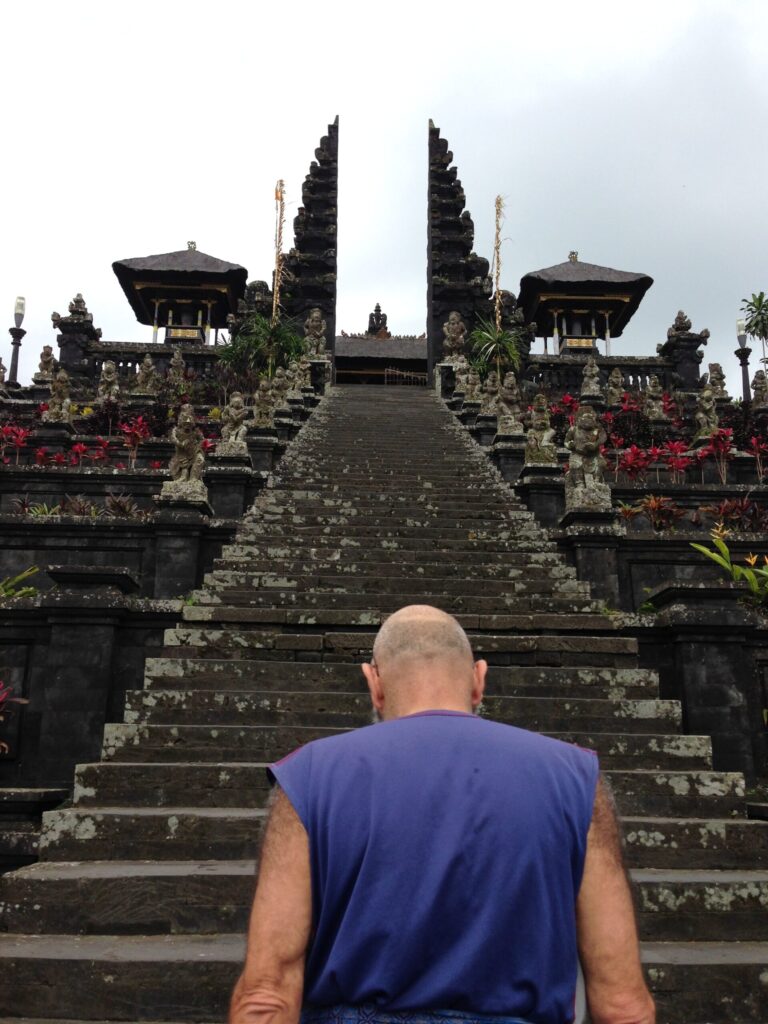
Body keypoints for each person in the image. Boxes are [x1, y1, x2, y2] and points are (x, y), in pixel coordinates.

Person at [229, 605, 655, 1024]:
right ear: (478, 680)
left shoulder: (309, 777)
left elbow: (266, 996)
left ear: (373, 682)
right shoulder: (576, 780)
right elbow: (623, 1007)